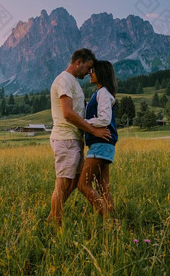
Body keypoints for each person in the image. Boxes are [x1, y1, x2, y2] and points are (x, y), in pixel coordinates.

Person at [48, 49, 111, 225]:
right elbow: (67, 113)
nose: (89, 72)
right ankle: (56, 227)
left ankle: (53, 217)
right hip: (65, 139)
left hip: (72, 139)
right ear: (79, 62)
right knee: (62, 185)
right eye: (88, 67)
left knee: (75, 182)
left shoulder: (72, 82)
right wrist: (93, 130)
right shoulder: (64, 80)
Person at [78, 60, 118, 217]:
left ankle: (108, 218)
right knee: (102, 187)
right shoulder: (101, 93)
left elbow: (104, 119)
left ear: (101, 73)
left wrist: (83, 123)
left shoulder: (103, 94)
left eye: (93, 71)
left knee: (83, 184)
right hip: (106, 145)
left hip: (100, 145)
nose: (90, 73)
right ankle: (111, 219)